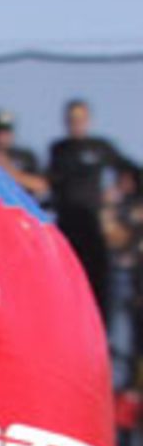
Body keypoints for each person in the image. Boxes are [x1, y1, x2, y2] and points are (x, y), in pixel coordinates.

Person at [46, 98, 138, 320]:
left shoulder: (100, 148)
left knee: (99, 287)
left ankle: (102, 332)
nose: (76, 124)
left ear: (88, 120)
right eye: (72, 119)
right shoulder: (59, 150)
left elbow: (131, 172)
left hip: (93, 228)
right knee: (65, 287)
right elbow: (48, 183)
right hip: (67, 229)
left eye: (80, 119)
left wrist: (116, 194)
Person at [0, 109, 47, 200]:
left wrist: (10, 172)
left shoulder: (26, 156)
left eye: (6, 131)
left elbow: (41, 185)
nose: (2, 136)